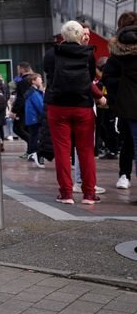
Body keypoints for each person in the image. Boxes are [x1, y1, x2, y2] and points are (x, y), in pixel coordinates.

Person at [44, 21, 98, 203]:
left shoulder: (52, 53)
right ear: (80, 35)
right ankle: (89, 194)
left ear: (62, 35)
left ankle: (66, 193)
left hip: (57, 106)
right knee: (86, 150)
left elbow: (48, 74)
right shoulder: (88, 54)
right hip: (83, 106)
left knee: (62, 151)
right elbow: (90, 78)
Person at [103, 11, 137, 192]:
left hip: (127, 104)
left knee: (129, 142)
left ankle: (124, 175)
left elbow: (107, 78)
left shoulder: (117, 53)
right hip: (127, 101)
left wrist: (120, 90)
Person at [23, 74, 45, 168]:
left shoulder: (33, 92)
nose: (41, 80)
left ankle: (31, 152)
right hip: (35, 118)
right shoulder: (34, 93)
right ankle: (34, 153)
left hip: (32, 118)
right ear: (33, 81)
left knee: (34, 136)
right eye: (39, 79)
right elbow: (40, 106)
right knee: (36, 136)